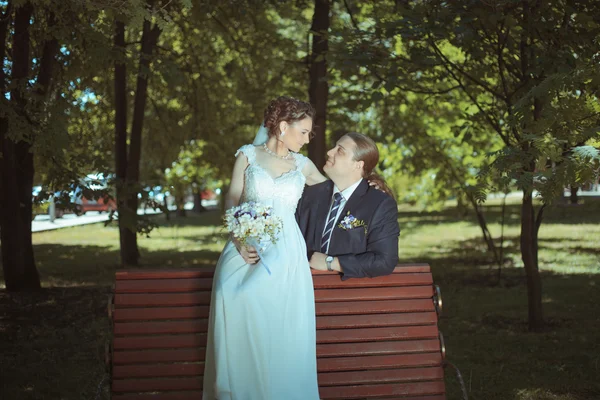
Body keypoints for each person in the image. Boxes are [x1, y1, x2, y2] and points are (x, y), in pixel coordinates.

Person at [202, 96, 327, 400]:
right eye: (304, 131)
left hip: (287, 252)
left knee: (279, 321)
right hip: (246, 244)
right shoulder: (248, 156)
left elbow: (335, 194)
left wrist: (370, 185)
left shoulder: (303, 165)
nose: (308, 139)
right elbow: (232, 199)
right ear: (283, 127)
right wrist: (240, 241)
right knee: (234, 295)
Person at [295, 132, 400, 280]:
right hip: (301, 287)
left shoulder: (379, 204)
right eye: (334, 147)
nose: (329, 152)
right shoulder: (309, 196)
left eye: (340, 150)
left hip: (347, 295)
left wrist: (332, 262)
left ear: (358, 165)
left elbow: (384, 260)